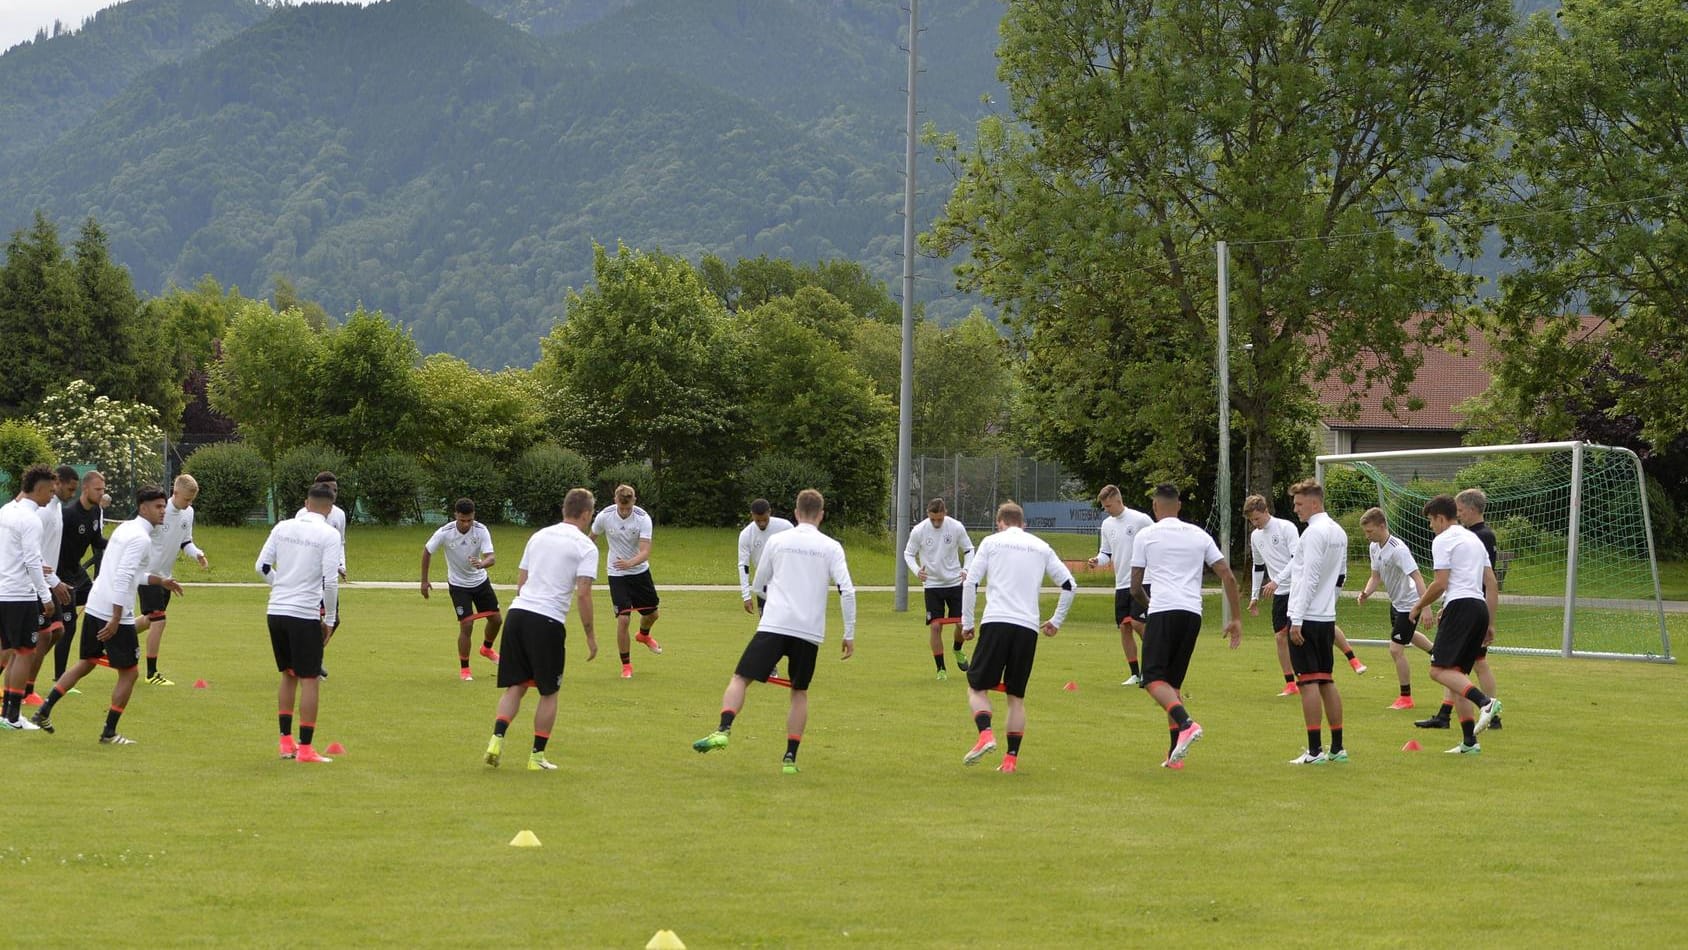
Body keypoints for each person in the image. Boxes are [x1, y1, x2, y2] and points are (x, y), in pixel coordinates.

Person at [693, 489, 855, 775]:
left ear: (795, 512)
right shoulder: (831, 546)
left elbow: (758, 583)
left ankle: (723, 729)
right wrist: (849, 632)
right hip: (809, 631)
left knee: (741, 678)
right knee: (799, 692)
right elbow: (847, 590)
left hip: (775, 622)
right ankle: (790, 759)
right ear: (821, 514)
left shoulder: (778, 540)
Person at [31, 485, 177, 744]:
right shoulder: (141, 538)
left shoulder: (125, 529)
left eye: (164, 506)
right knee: (130, 673)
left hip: (97, 603)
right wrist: (116, 619)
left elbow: (127, 573)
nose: (163, 511)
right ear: (143, 508)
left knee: (87, 661)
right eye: (158, 506)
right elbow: (122, 579)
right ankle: (109, 732)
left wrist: (159, 581)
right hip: (113, 610)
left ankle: (44, 710)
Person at [484, 488, 599, 772]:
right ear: (586, 514)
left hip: (518, 613)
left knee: (517, 685)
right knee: (549, 691)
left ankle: (496, 739)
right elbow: (583, 593)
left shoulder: (538, 536)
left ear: (564, 510)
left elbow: (521, 582)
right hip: (547, 621)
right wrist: (590, 635)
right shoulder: (586, 547)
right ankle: (536, 757)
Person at [1130, 484, 1243, 769]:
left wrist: (1150, 604)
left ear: (1155, 507)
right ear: (1178, 506)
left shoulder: (1146, 535)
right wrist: (1236, 618)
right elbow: (1228, 577)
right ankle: (1174, 755)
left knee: (1152, 680)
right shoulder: (1199, 534)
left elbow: (1134, 587)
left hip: (1163, 610)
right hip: (1192, 613)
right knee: (1172, 685)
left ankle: (1186, 724)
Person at [957, 500, 1074, 773]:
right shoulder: (1040, 546)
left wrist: (966, 623)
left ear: (1000, 523)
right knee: (1016, 697)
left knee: (976, 686)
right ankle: (1010, 761)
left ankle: (985, 734)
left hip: (997, 621)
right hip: (1027, 628)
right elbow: (1069, 585)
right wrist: (1056, 621)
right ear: (1024, 524)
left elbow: (971, 582)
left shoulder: (990, 542)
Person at [1409, 494, 1502, 755]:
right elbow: (1491, 584)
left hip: (1462, 608)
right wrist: (1490, 623)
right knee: (1456, 677)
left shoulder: (1443, 539)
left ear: (1440, 518)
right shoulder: (1473, 539)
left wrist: (1417, 607)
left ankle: (1485, 702)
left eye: (1430, 521)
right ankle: (1469, 743)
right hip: (1478, 608)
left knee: (1438, 671)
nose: (1430, 527)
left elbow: (1441, 583)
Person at [257, 482, 342, 763]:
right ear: (329, 508)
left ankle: (285, 742)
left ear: (306, 503)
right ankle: (305, 749)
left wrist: (281, 584)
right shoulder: (329, 534)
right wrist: (328, 618)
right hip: (303, 613)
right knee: (310, 679)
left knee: (288, 675)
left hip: (276, 610)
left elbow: (262, 567)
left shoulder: (282, 527)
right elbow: (330, 582)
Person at [1284, 479, 1349, 765]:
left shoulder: (1313, 534)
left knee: (1308, 683)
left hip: (1306, 618)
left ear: (1314, 503)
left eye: (1299, 504)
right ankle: (1337, 747)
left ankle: (1314, 751)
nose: (1295, 509)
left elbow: (1309, 578)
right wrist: (1328, 605)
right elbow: (1340, 577)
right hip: (1325, 618)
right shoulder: (1339, 531)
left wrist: (1296, 619)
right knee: (1326, 681)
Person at [1356, 507, 1435, 709]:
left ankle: (1406, 698)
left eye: (1370, 531)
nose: (1367, 536)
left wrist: (1425, 607)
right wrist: (1366, 592)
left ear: (1382, 526)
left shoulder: (1398, 549)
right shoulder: (1374, 547)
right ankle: (1438, 653)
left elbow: (1417, 577)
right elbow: (1375, 577)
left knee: (1395, 649)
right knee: (1407, 635)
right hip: (1396, 603)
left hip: (1410, 605)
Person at [0, 466, 59, 729]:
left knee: (11, 650)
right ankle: (12, 716)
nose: (51, 496)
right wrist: (45, 596)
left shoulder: (5, 511)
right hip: (20, 595)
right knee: (24, 652)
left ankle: (6, 714)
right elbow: (32, 560)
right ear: (39, 489)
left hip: (3, 592)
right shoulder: (31, 519)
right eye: (50, 490)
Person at [136, 474, 208, 686]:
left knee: (149, 620)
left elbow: (186, 542)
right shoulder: (158, 513)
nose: (189, 504)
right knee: (159, 620)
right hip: (148, 575)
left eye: (192, 500)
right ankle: (151, 674)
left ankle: (115, 635)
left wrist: (198, 554)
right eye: (186, 499)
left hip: (166, 578)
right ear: (175, 493)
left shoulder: (189, 513)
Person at [422, 498, 501, 681]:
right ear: (456, 515)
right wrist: (424, 582)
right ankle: (465, 669)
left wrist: (482, 564)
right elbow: (427, 551)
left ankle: (486, 649)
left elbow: (491, 557)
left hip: (480, 581)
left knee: (496, 620)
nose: (466, 524)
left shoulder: (481, 530)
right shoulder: (445, 532)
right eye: (462, 520)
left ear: (473, 516)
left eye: (469, 520)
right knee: (467, 624)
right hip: (458, 585)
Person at [19, 465, 78, 706]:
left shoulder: (54, 509)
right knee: (38, 637)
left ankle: (25, 688)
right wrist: (52, 582)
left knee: (56, 632)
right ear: (57, 484)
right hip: (35, 583)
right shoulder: (40, 513)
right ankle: (24, 690)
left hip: (47, 581)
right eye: (69, 488)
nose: (70, 494)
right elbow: (34, 554)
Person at [591, 484, 660, 679]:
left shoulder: (643, 518)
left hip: (638, 572)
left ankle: (644, 635)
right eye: (621, 507)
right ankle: (626, 666)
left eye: (628, 508)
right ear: (615, 500)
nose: (624, 511)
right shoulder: (604, 516)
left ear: (634, 501)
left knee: (653, 614)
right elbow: (591, 538)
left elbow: (645, 551)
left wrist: (629, 563)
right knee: (623, 618)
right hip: (616, 573)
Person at [1087, 484, 1154, 687]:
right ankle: (1135, 674)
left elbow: (1157, 541)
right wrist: (1097, 561)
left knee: (1138, 624)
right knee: (1125, 627)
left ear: (1118, 500)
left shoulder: (1140, 519)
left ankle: (1151, 670)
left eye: (1108, 505)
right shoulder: (1107, 525)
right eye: (1104, 507)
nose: (1106, 509)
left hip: (1143, 580)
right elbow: (1106, 553)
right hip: (1122, 583)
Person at [903, 497, 975, 680]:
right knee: (935, 627)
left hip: (954, 582)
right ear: (928, 514)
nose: (936, 522)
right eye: (933, 519)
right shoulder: (919, 530)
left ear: (945, 513)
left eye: (939, 519)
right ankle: (941, 669)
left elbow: (969, 550)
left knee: (961, 624)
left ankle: (958, 650)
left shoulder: (956, 527)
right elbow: (908, 553)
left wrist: (966, 569)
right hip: (932, 584)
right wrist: (917, 571)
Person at [53, 469, 106, 685]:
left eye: (103, 489)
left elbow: (97, 542)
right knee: (69, 626)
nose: (101, 493)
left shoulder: (95, 512)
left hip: (77, 572)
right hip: (62, 574)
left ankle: (97, 651)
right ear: (85, 488)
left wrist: (120, 544)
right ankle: (60, 678)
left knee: (99, 601)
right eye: (98, 489)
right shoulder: (69, 515)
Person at [736, 498, 792, 614]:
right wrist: (746, 596)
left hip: (785, 583)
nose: (762, 523)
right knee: (766, 625)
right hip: (763, 586)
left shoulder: (785, 527)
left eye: (765, 520)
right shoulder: (746, 535)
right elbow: (743, 566)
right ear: (752, 515)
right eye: (758, 521)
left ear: (769, 512)